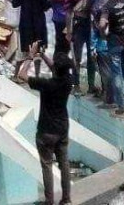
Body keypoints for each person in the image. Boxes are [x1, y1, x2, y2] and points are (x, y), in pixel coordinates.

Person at [26, 45, 73, 205]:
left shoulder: (45, 84)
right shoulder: (68, 81)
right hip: (62, 129)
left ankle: (49, 201)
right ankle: (66, 199)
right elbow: (57, 68)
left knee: (47, 166)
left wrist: (31, 56)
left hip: (46, 130)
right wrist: (43, 55)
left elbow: (21, 75)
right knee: (64, 164)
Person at [13, 0, 50, 80]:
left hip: (25, 22)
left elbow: (15, 3)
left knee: (23, 50)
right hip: (39, 22)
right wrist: (52, 0)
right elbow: (45, 7)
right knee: (39, 50)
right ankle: (37, 75)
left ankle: (16, 75)